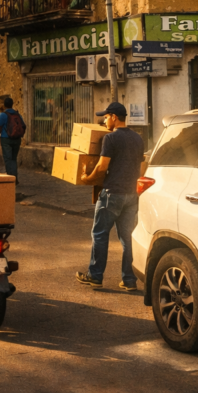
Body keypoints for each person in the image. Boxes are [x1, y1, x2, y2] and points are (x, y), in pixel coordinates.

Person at [76, 101, 146, 291]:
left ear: (115, 117)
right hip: (131, 195)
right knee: (128, 239)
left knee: (99, 234)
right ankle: (129, 280)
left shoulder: (110, 139)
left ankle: (95, 276)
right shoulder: (138, 139)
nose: (104, 120)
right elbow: (141, 168)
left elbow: (102, 166)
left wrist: (87, 178)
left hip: (112, 194)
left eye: (106, 117)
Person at [0, 97, 25, 181]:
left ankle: (10, 179)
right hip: (17, 139)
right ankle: (15, 178)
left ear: (4, 105)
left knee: (8, 159)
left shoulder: (3, 115)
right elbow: (23, 126)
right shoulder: (17, 115)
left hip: (6, 139)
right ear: (12, 104)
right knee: (13, 159)